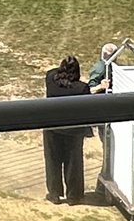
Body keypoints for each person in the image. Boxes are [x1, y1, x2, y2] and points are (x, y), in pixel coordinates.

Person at [42, 55, 92, 204]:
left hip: (52, 127)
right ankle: (73, 196)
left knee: (52, 161)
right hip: (73, 130)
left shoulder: (51, 79)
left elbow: (52, 71)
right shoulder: (81, 88)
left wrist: (63, 69)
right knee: (73, 163)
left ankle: (54, 194)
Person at [87, 42, 121, 196]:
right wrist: (101, 86)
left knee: (111, 150)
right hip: (103, 116)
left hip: (111, 114)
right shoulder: (101, 68)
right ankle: (102, 186)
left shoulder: (112, 67)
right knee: (109, 150)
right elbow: (90, 89)